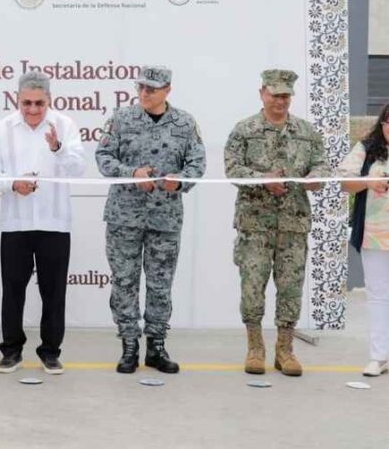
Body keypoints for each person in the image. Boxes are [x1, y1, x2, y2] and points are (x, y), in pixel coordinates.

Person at [95, 66, 205, 374]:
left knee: (160, 285)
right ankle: (129, 343)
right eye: (141, 87)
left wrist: (179, 181)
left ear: (167, 90)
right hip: (124, 217)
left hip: (164, 218)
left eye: (152, 89)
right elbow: (103, 159)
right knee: (125, 282)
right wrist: (131, 174)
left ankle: (156, 345)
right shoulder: (121, 119)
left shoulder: (184, 123)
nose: (144, 93)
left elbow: (197, 165)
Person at [225, 69, 329, 377]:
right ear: (262, 93)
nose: (280, 101)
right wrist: (262, 180)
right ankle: (255, 348)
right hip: (254, 225)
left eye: (285, 95)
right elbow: (232, 170)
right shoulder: (244, 130)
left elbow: (322, 165)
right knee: (253, 288)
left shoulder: (307, 132)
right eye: (275, 94)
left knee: (290, 288)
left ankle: (285, 350)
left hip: (293, 225)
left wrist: (316, 179)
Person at [0, 72, 85, 374]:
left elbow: (78, 168)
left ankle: (51, 351)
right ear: (17, 99)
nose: (32, 109)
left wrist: (58, 148)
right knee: (12, 290)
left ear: (49, 100)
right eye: (26, 102)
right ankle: (11, 351)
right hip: (15, 223)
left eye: (39, 103)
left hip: (55, 223)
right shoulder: (2, 129)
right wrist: (13, 184)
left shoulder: (64, 125)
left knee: (53, 292)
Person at [341, 102, 389, 378]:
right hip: (375, 235)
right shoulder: (365, 149)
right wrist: (368, 182)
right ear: (381, 123)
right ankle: (378, 356)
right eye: (388, 122)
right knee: (379, 296)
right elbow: (344, 182)